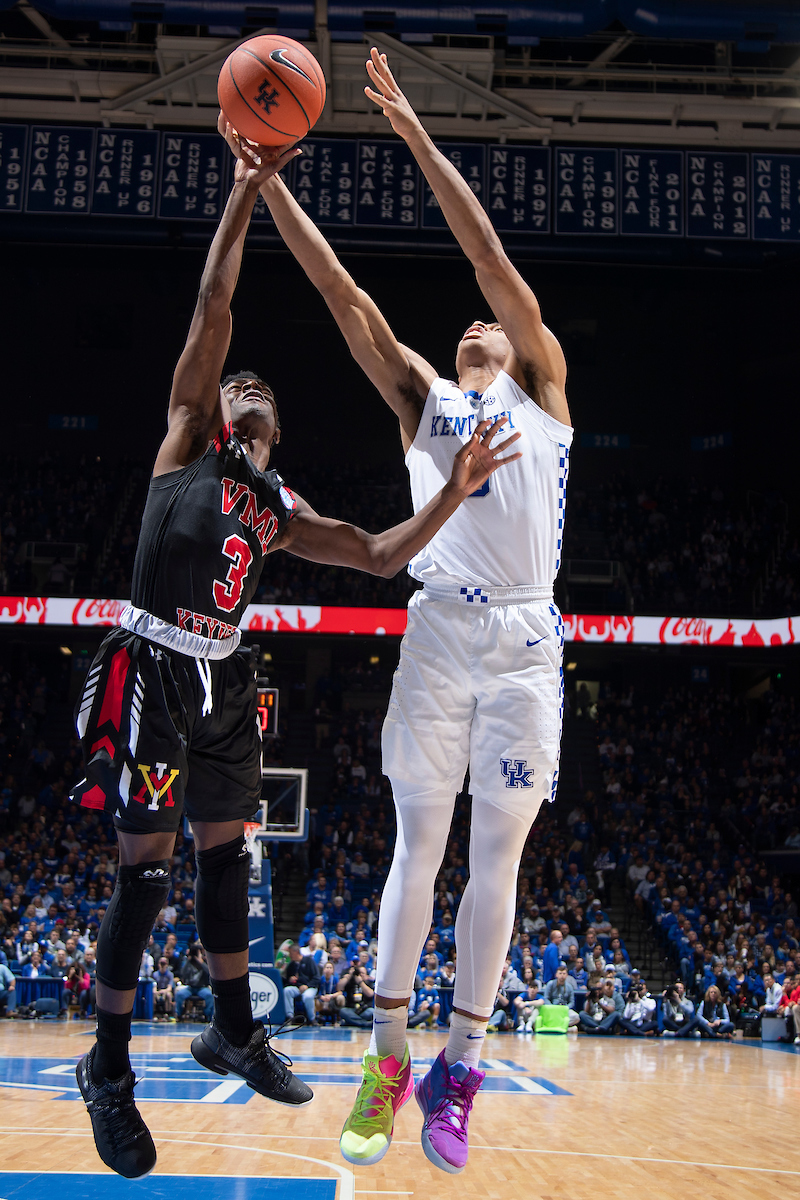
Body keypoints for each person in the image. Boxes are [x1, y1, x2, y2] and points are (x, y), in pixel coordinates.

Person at [72, 129, 516, 1182]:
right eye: (239, 384)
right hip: (154, 656)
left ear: (273, 428)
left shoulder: (275, 506)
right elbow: (213, 310)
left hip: (225, 671)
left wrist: (452, 498)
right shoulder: (187, 435)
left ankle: (234, 1027)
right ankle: (107, 1067)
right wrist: (242, 193)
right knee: (145, 879)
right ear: (222, 409)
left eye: (259, 387)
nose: (248, 383)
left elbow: (369, 556)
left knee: (229, 856)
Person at [242, 45, 571, 1175]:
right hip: (439, 634)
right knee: (415, 849)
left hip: (527, 644)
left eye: (486, 326)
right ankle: (387, 1061)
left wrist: (413, 135)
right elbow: (344, 297)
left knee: (497, 862)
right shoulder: (425, 404)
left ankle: (459, 1074)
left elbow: (484, 252)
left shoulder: (543, 384)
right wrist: (269, 181)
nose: (473, 326)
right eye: (468, 327)